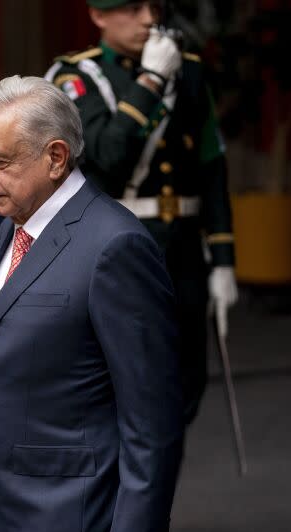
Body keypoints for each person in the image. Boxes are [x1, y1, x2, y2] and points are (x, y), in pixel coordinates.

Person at [0, 76, 184, 532]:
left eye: (0, 161)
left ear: (55, 157)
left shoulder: (115, 246)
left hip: (67, 528)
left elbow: (152, 420)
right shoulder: (12, 225)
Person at [45, 0, 238, 425]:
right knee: (121, 383)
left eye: (154, 7)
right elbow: (109, 156)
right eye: (132, 9)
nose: (149, 20)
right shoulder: (75, 77)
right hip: (115, 250)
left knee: (185, 383)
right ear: (98, 15)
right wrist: (151, 79)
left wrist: (223, 260)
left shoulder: (187, 69)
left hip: (183, 251)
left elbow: (211, 167)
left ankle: (155, 485)